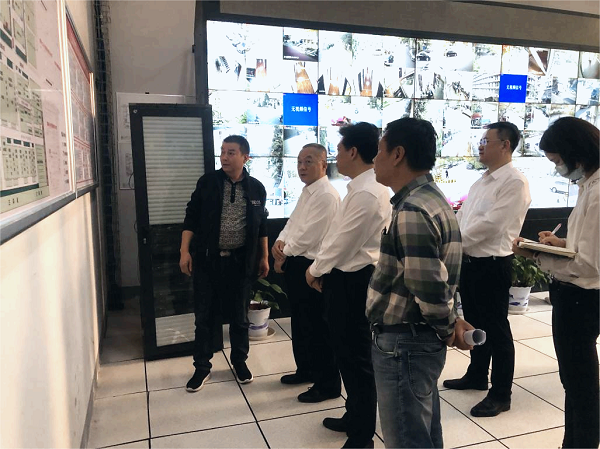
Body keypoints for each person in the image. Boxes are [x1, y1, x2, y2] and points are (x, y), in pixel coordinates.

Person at [367, 117, 474, 448]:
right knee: (423, 432)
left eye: (379, 151)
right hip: (415, 340)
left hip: (405, 343)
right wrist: (452, 320)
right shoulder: (430, 198)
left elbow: (426, 284)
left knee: (407, 438)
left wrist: (447, 327)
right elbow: (438, 275)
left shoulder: (413, 208)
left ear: (398, 154)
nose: (374, 159)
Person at [512, 117, 599, 448]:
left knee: (580, 384)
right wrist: (561, 244)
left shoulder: (597, 191)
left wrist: (535, 255)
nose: (558, 168)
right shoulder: (589, 185)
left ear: (577, 152)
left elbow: (587, 264)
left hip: (581, 297)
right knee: (576, 383)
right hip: (579, 295)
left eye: (558, 161)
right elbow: (588, 246)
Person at [305, 122, 391, 449]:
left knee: (356, 359)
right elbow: (336, 236)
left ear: (353, 152)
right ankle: (353, 415)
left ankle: (362, 434)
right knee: (344, 352)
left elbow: (344, 243)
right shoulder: (358, 188)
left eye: (338, 150)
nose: (335, 156)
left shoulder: (369, 192)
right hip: (343, 278)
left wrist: (314, 270)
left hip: (354, 282)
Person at [443, 122, 531, 417]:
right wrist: (452, 240)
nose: (480, 146)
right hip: (471, 262)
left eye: (486, 141)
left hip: (492, 265)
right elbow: (463, 217)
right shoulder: (482, 181)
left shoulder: (514, 182)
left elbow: (492, 225)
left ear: (505, 145)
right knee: (475, 323)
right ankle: (477, 375)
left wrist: (455, 243)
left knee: (497, 330)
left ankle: (501, 393)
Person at [180, 135, 269, 392]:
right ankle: (202, 367)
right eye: (222, 152)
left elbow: (262, 226)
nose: (225, 157)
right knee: (204, 318)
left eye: (231, 152)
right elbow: (191, 218)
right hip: (208, 261)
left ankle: (239, 362)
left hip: (240, 263)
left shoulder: (256, 188)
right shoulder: (208, 182)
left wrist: (263, 257)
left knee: (240, 317)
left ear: (245, 157)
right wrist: (184, 251)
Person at [271, 143, 342, 402]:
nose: (302, 167)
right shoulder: (308, 191)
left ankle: (328, 384)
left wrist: (283, 254)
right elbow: (292, 223)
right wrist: (280, 241)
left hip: (312, 267)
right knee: (301, 323)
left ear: (324, 164)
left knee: (317, 327)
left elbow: (310, 235)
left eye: (308, 161)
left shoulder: (326, 195)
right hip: (296, 261)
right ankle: (307, 370)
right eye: (299, 161)